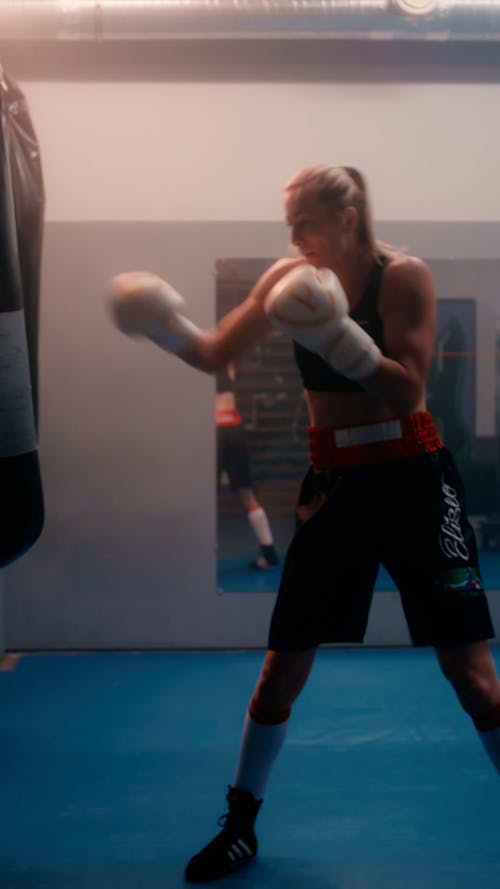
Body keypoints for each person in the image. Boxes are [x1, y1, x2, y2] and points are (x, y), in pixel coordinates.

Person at [106, 164, 500, 884]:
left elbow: (410, 386)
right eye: (287, 224)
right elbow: (215, 353)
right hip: (335, 488)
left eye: (305, 222)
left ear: (347, 217)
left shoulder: (402, 276)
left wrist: (338, 335)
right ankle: (241, 825)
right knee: (281, 669)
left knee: (472, 678)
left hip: (414, 479)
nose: (293, 237)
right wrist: (160, 324)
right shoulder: (286, 279)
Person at [216, 362, 279, 570]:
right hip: (232, 426)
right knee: (246, 494)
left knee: (206, 497)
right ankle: (269, 553)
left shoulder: (207, 356)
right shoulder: (226, 360)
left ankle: (269, 554)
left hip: (216, 428)